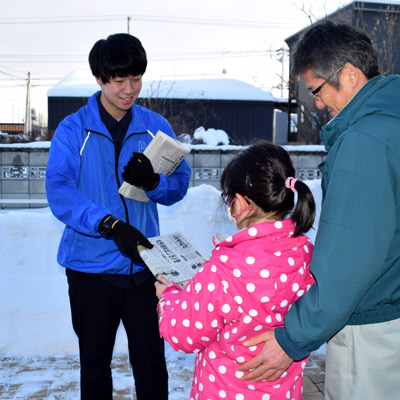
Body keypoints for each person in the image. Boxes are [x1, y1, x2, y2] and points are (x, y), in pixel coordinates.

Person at [238, 21, 400, 400]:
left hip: (372, 329)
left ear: (348, 74)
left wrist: (292, 338)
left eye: (318, 90)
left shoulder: (364, 142)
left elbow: (349, 262)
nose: (320, 104)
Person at [45, 33, 191, 400]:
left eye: (136, 78)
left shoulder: (154, 127)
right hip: (90, 270)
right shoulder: (73, 129)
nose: (129, 89)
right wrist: (108, 224)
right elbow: (60, 192)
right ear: (99, 78)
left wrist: (155, 182)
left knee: (151, 363)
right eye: (119, 80)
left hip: (145, 268)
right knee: (95, 367)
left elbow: (179, 185)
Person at [155, 141, 316, 400]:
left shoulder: (227, 267)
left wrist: (168, 296)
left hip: (224, 391)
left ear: (241, 202)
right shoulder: (304, 250)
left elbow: (183, 333)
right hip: (282, 391)